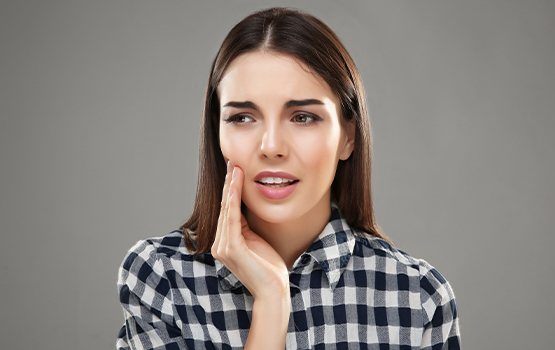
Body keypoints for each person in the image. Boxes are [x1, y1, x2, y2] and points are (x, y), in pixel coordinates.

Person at [116, 6, 461, 349]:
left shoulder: (418, 299)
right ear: (216, 134)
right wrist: (271, 301)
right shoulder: (161, 279)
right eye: (242, 118)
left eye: (303, 117)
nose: (271, 147)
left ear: (348, 137)